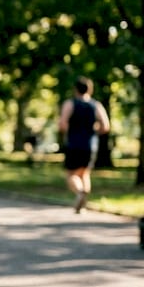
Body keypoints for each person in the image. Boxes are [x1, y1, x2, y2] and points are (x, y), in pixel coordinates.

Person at [58, 77, 110, 213]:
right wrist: (93, 131)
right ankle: (82, 206)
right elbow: (105, 126)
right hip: (90, 145)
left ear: (75, 89)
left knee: (71, 174)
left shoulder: (70, 104)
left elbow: (62, 124)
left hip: (73, 143)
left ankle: (80, 193)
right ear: (90, 89)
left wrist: (72, 130)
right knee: (84, 173)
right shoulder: (96, 105)